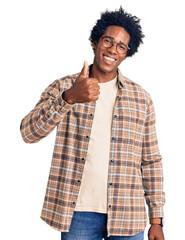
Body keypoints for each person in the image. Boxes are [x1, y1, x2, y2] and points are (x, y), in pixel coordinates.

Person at [20, 6, 165, 240]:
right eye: (108, 41)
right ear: (95, 42)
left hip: (128, 214)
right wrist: (68, 99)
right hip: (78, 214)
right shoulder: (63, 87)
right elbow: (28, 133)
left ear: (127, 53)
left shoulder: (141, 98)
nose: (112, 50)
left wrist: (156, 220)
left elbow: (150, 161)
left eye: (121, 46)